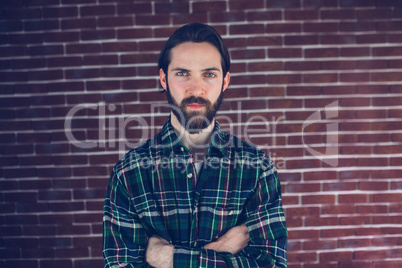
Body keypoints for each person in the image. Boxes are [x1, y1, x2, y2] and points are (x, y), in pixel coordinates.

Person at [103, 23, 287, 267]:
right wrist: (220, 250)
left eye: (209, 74)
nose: (196, 89)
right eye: (182, 73)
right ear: (163, 79)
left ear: (225, 81)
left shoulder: (257, 168)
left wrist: (166, 257)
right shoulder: (128, 173)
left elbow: (271, 263)